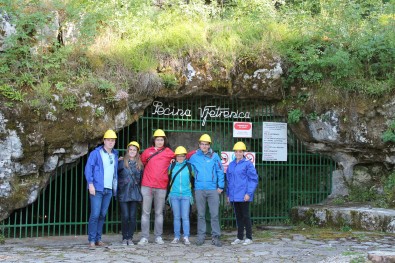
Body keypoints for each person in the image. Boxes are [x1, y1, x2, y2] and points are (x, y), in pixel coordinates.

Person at [138, 129, 175, 245]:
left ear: (164, 140)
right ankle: (144, 237)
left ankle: (158, 236)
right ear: (154, 140)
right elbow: (140, 162)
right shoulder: (147, 152)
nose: (159, 141)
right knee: (146, 212)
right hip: (147, 185)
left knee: (159, 213)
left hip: (161, 186)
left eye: (161, 139)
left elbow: (181, 157)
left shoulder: (169, 152)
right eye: (157, 139)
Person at [188, 134, 224, 247]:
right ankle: (201, 237)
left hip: (213, 189)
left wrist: (221, 186)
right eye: (202, 144)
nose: (204, 146)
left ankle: (216, 237)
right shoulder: (194, 157)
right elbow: (185, 165)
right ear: (199, 145)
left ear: (209, 145)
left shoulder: (215, 156)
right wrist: (173, 160)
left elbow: (220, 171)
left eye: (206, 144)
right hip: (199, 189)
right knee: (201, 215)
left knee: (214, 214)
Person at [85, 129, 119, 250]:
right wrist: (90, 184)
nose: (110, 142)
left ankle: (98, 239)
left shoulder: (115, 154)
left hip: (109, 189)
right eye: (108, 140)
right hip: (97, 188)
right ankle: (92, 240)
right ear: (104, 141)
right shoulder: (96, 153)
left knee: (102, 214)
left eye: (113, 140)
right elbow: (89, 168)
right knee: (95, 214)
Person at [226, 142, 258, 246]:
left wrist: (249, 193)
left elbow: (253, 179)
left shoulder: (248, 164)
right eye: (236, 151)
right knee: (238, 217)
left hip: (244, 195)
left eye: (240, 151)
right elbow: (229, 180)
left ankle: (249, 237)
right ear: (234, 152)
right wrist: (228, 194)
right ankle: (239, 237)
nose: (238, 153)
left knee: (246, 216)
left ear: (243, 152)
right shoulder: (231, 165)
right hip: (234, 196)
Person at [117, 141, 143, 246]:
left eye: (134, 150)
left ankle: (130, 237)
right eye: (130, 149)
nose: (132, 151)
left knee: (132, 216)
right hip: (124, 193)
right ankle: (124, 237)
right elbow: (116, 176)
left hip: (135, 193)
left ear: (137, 152)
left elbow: (141, 179)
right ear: (128, 151)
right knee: (125, 216)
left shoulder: (140, 164)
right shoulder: (122, 162)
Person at [168, 146, 195, 245]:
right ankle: (176, 236)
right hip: (174, 195)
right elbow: (168, 177)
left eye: (182, 156)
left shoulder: (189, 166)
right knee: (176, 217)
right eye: (178, 156)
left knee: (185, 217)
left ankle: (186, 236)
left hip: (186, 195)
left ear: (185, 156)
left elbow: (194, 177)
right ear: (175, 156)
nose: (180, 158)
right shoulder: (171, 166)